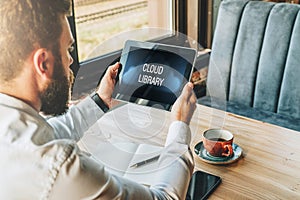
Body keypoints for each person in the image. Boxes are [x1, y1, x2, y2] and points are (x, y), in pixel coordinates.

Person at [0, 0, 197, 199]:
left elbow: (49, 133)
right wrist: (180, 125)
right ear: (43, 63)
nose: (70, 60)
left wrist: (100, 101)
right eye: (68, 50)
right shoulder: (59, 166)